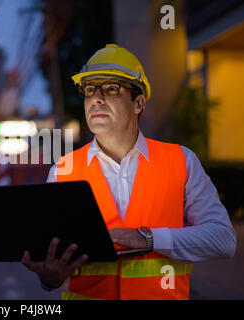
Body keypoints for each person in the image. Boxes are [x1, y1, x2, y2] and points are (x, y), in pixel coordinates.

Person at [21, 44, 237, 300]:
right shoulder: (63, 170)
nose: (96, 98)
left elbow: (223, 239)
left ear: (138, 103)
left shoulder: (181, 161)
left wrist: (150, 239)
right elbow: (54, 257)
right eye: (90, 90)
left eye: (111, 89)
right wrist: (49, 278)